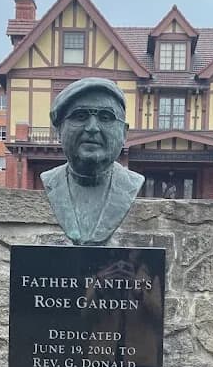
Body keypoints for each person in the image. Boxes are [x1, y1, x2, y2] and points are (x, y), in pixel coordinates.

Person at [41, 78, 144, 245]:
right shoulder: (50, 181)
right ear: (59, 130)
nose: (92, 128)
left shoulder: (131, 184)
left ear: (124, 133)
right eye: (80, 116)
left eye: (105, 117)